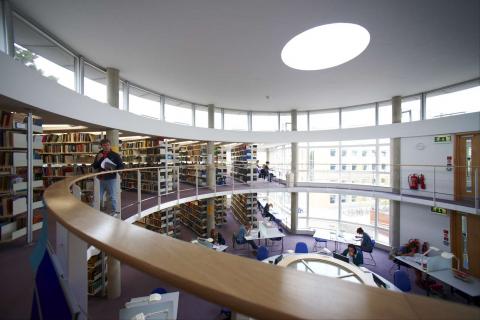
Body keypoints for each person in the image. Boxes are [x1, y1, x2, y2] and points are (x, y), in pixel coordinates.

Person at [92, 138, 124, 215]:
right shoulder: (99, 154)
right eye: (104, 145)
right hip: (100, 179)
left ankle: (115, 211)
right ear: (101, 146)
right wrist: (98, 159)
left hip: (111, 178)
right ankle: (93, 211)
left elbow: (121, 167)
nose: (106, 147)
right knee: (97, 196)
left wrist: (112, 169)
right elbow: (95, 166)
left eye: (108, 145)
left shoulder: (115, 155)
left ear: (110, 145)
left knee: (113, 196)